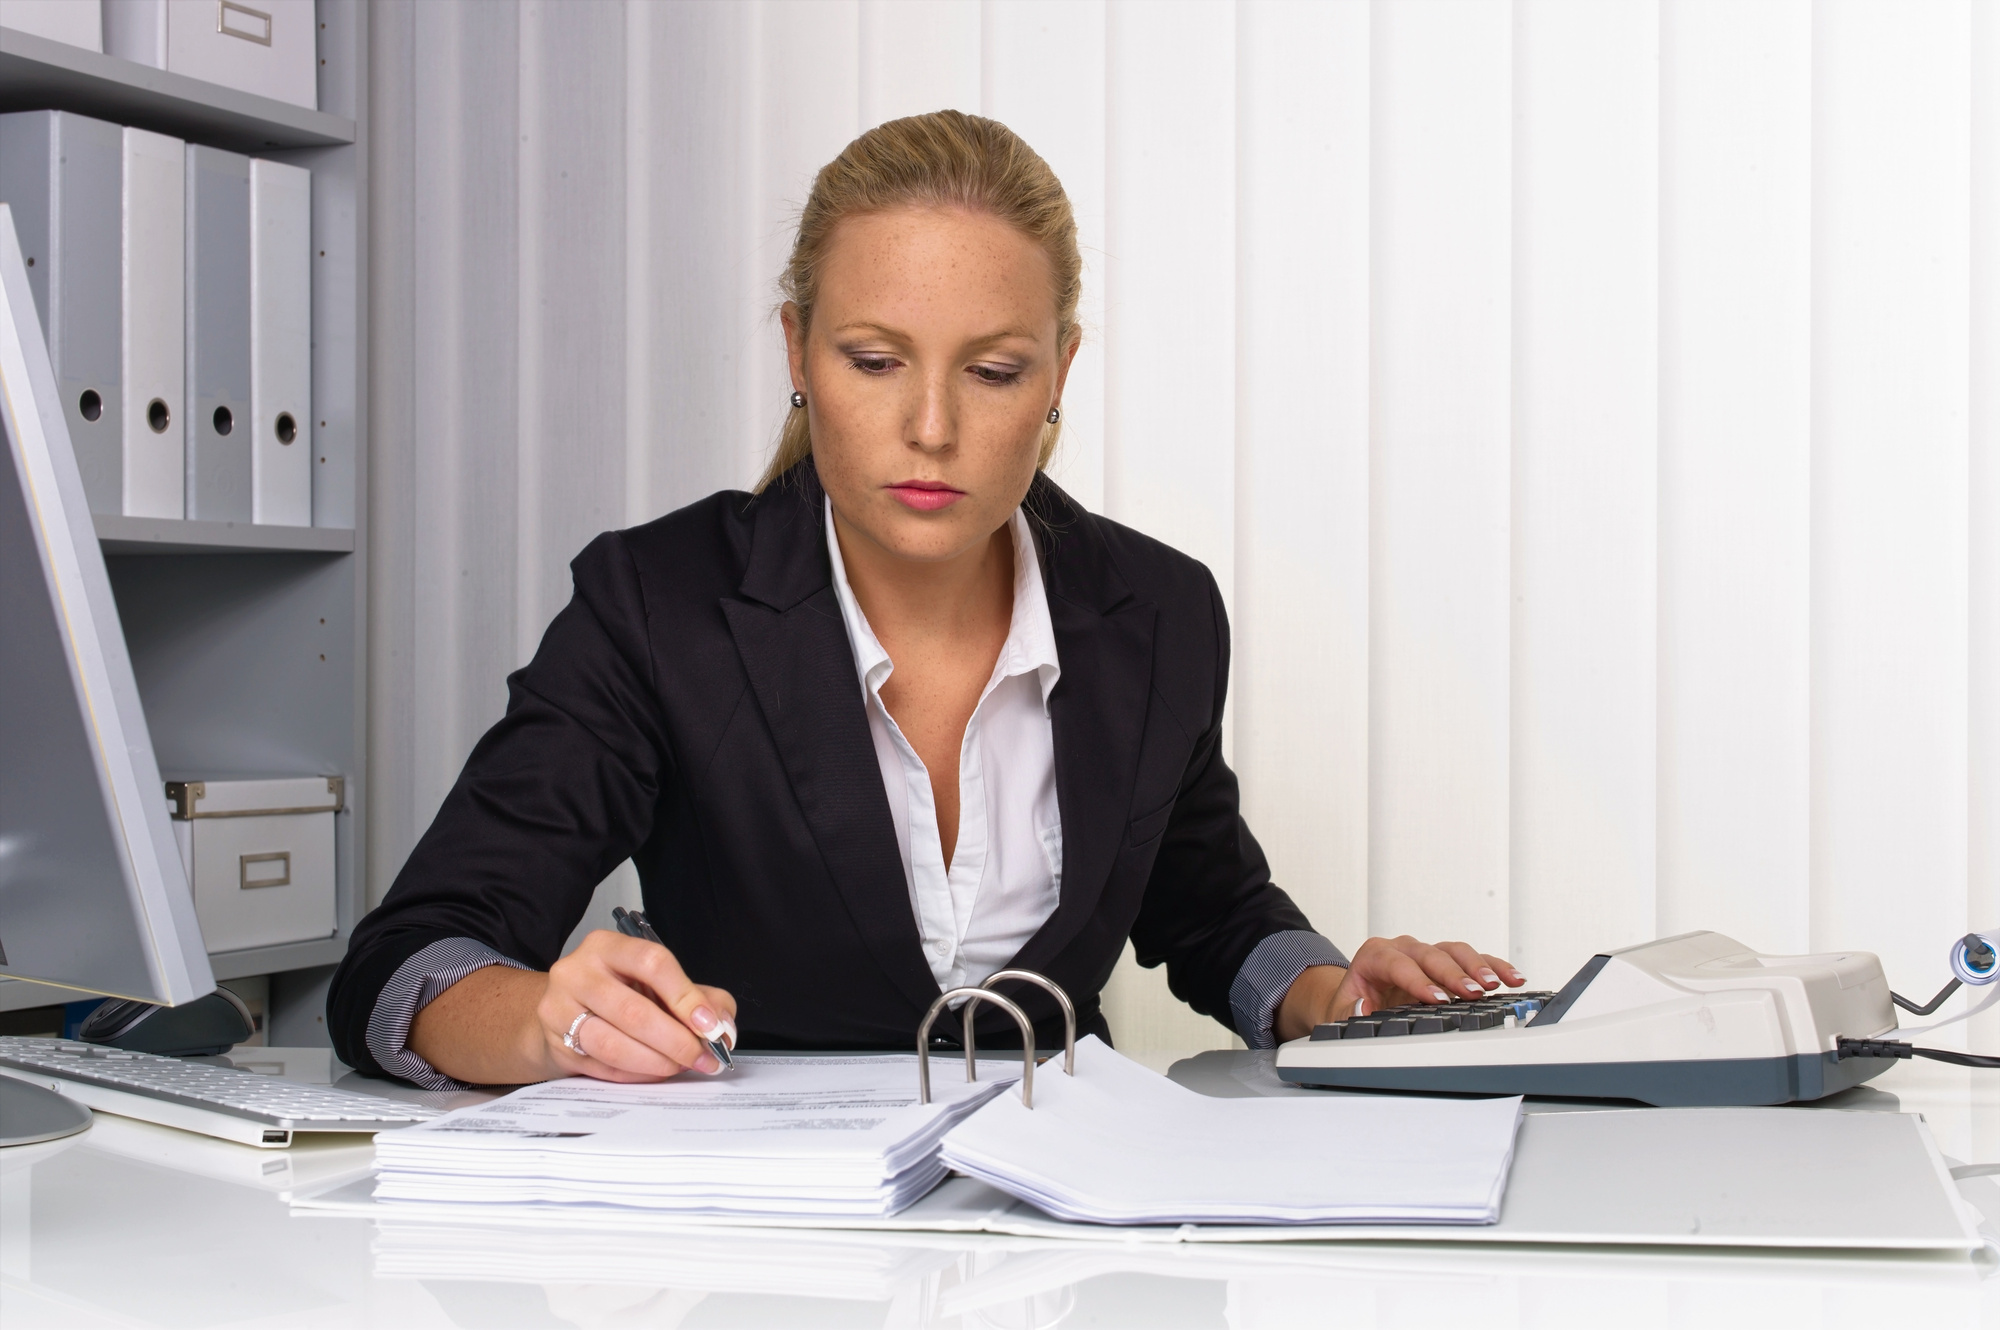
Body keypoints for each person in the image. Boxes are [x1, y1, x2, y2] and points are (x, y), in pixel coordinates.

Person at [328, 110, 1522, 1089]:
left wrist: (1333, 997)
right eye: (872, 360)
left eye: (994, 371)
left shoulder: (1156, 611)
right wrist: (544, 1020)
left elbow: (1205, 900)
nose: (933, 428)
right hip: (773, 1242)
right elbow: (407, 960)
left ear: (1060, 374)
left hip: (1062, 1231)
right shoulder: (659, 604)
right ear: (796, 354)